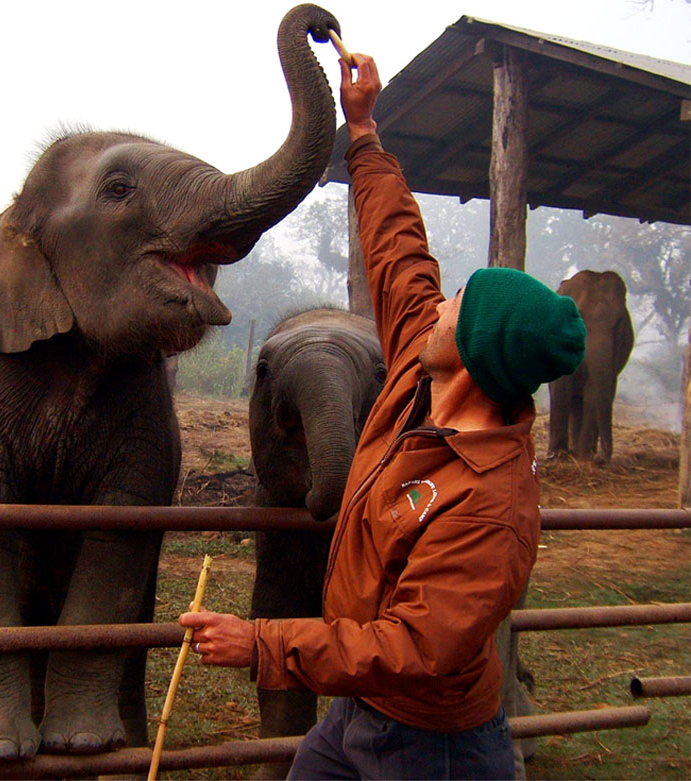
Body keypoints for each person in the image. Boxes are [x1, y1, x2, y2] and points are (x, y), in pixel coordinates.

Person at [179, 52, 586, 780]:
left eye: (458, 304)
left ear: (474, 353)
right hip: (360, 713)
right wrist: (362, 129)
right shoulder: (414, 380)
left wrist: (264, 643)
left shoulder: (487, 507)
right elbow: (401, 254)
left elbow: (412, 649)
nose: (439, 302)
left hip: (433, 742)